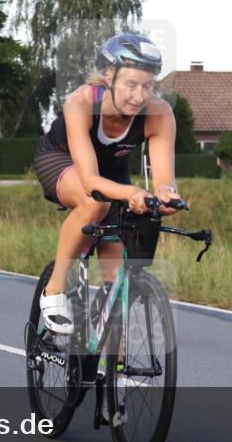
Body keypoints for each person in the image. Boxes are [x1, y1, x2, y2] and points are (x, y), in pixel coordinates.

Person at [33, 33, 183, 335]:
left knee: (118, 288)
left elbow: (165, 178)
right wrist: (132, 193)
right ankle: (55, 288)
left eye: (147, 86)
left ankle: (116, 376)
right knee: (96, 201)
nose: (139, 96)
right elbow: (89, 182)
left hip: (112, 172)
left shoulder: (160, 114)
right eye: (130, 85)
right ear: (109, 77)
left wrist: (167, 194)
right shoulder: (82, 102)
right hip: (61, 160)